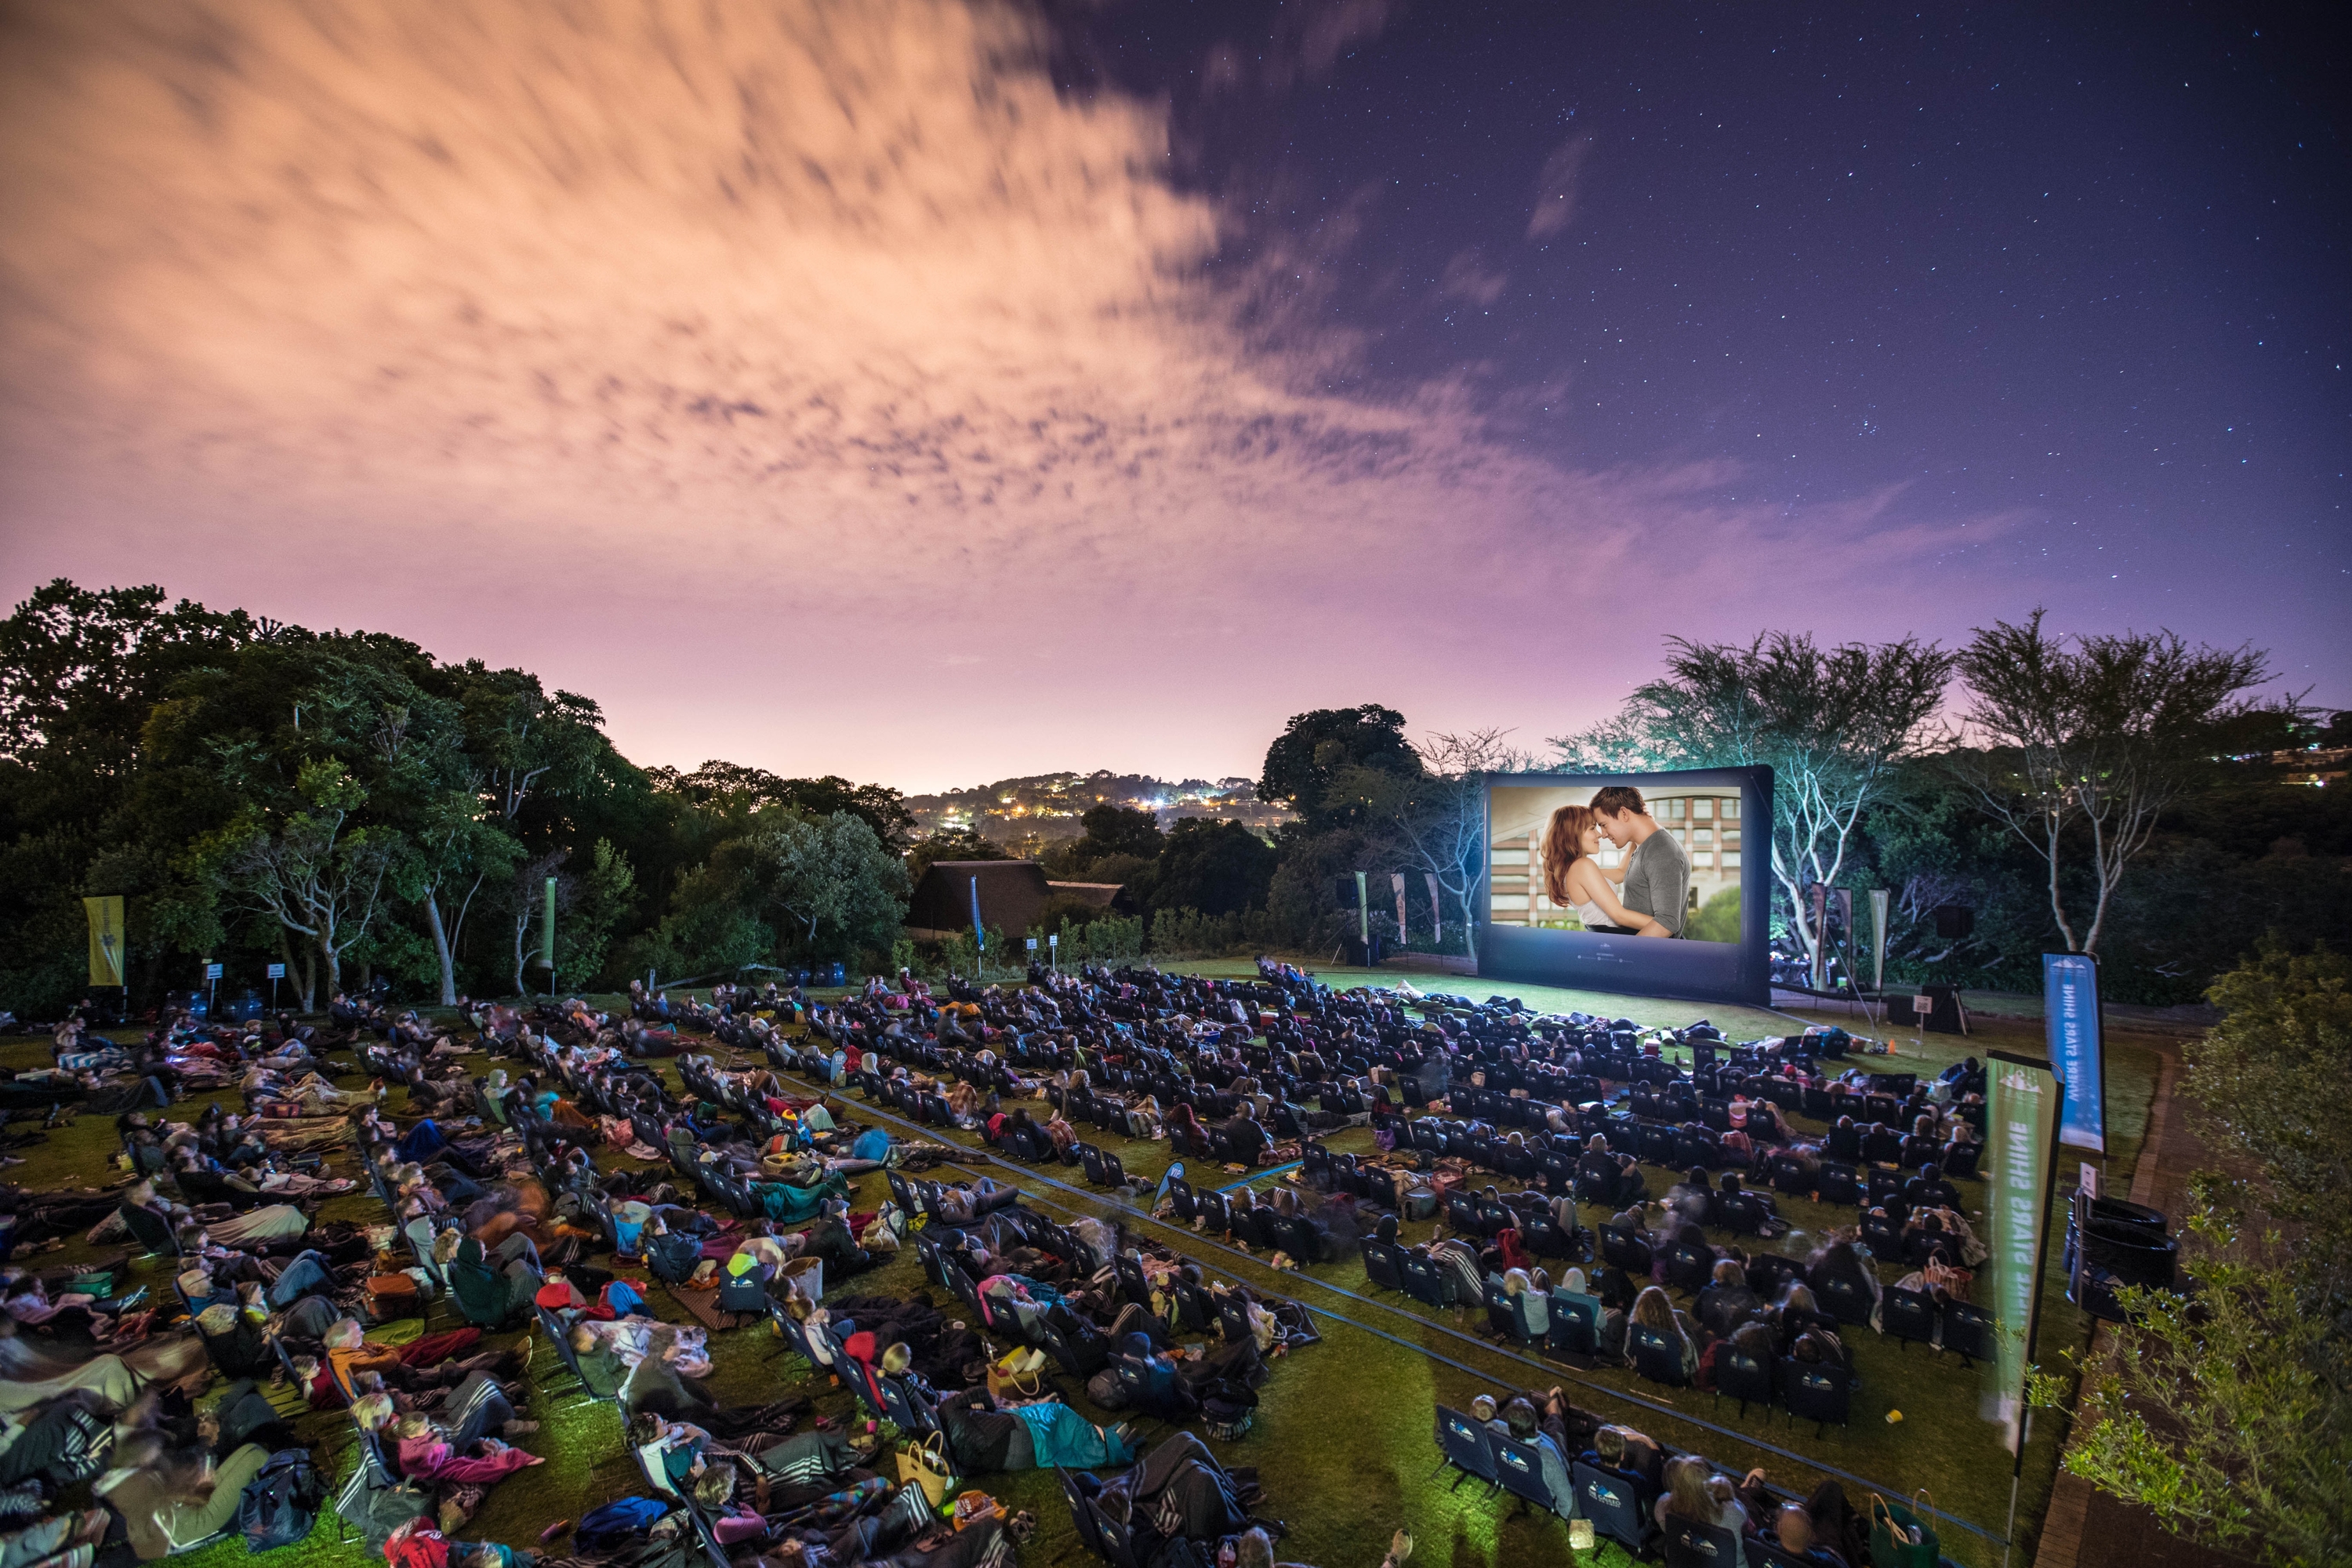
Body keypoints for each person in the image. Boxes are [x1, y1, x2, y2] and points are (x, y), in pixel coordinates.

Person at [1539, 803, 1663, 937]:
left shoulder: (1572, 871)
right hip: (1619, 936)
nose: (1599, 834)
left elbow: (1621, 872)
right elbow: (1620, 916)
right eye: (1592, 828)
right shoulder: (1582, 866)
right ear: (1572, 834)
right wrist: (1668, 924)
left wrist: (1635, 833)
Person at [1591, 786, 1687, 938]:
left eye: (1603, 825)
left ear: (1624, 813)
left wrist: (1625, 956)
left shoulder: (1662, 851)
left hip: (1649, 958)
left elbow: (1667, 922)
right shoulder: (1645, 845)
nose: (1603, 834)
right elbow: (1620, 872)